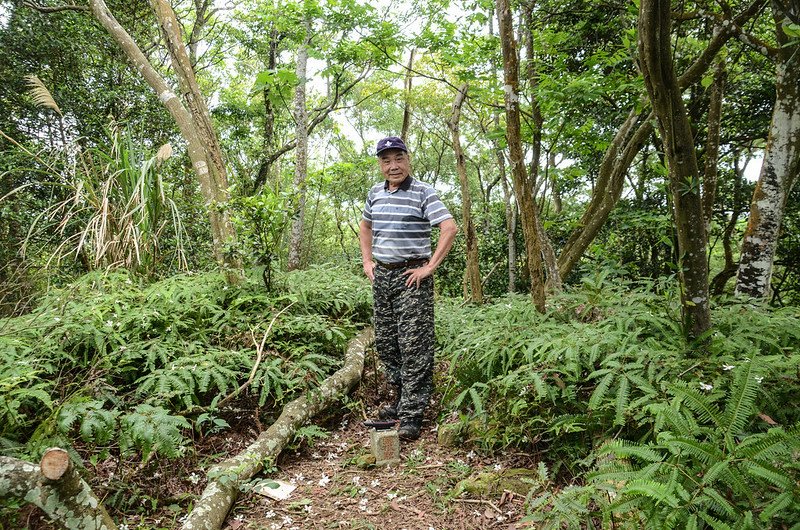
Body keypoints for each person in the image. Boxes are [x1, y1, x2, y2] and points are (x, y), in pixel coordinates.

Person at [359, 136, 458, 440]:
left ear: (408, 159)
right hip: (383, 276)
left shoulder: (423, 192)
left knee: (414, 345)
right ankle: (401, 401)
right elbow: (366, 226)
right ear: (380, 164)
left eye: (398, 158)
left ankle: (414, 413)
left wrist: (430, 267)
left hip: (411, 276)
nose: (393, 166)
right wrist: (367, 261)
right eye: (386, 160)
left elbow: (449, 227)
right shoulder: (375, 192)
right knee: (388, 343)